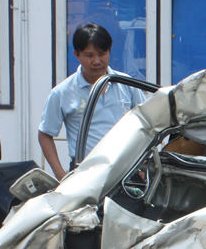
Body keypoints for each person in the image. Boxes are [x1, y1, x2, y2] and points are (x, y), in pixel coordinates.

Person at [38, 23, 145, 180]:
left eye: (102, 54)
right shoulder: (62, 92)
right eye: (89, 55)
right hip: (85, 173)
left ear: (109, 51)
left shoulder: (127, 84)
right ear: (77, 55)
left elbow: (145, 124)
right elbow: (45, 134)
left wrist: (143, 164)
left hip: (127, 170)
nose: (97, 61)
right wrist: (61, 175)